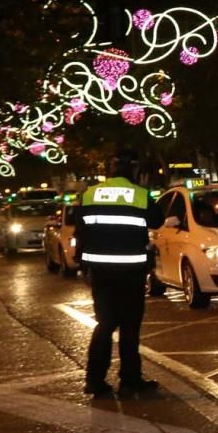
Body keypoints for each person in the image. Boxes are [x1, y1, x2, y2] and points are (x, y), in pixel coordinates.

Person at [75, 149, 165, 397]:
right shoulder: (139, 195)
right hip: (130, 271)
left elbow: (79, 229)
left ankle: (94, 381)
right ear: (135, 171)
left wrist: (82, 264)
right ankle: (130, 382)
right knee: (129, 327)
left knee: (104, 325)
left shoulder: (90, 194)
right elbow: (158, 221)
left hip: (101, 272)